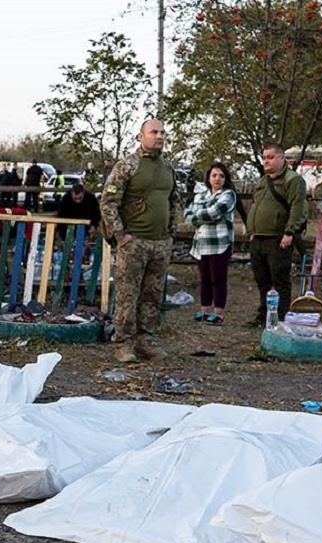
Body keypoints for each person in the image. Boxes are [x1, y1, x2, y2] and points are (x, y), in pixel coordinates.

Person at [99, 118, 181, 362]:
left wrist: (171, 233)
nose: (159, 136)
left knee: (152, 296)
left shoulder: (168, 169)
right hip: (134, 243)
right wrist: (120, 235)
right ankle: (123, 343)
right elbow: (108, 201)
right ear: (141, 136)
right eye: (154, 132)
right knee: (128, 295)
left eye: (162, 132)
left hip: (160, 243)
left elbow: (174, 201)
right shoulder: (127, 165)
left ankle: (144, 341)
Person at [245, 142, 308, 325]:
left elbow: (297, 207)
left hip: (278, 238)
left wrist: (289, 232)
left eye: (271, 157)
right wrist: (252, 231)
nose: (266, 161)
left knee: (279, 280)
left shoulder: (292, 180)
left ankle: (279, 317)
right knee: (262, 279)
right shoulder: (263, 181)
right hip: (258, 238)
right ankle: (263, 315)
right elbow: (256, 205)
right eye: (264, 158)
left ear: (282, 158)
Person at [184, 162, 238, 325]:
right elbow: (187, 216)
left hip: (220, 243)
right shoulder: (200, 195)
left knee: (218, 279)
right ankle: (205, 310)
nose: (217, 179)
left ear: (226, 179)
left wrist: (197, 215)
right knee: (204, 279)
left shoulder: (228, 195)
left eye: (221, 176)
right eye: (214, 175)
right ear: (208, 178)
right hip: (201, 243)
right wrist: (199, 216)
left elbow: (214, 213)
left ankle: (219, 313)